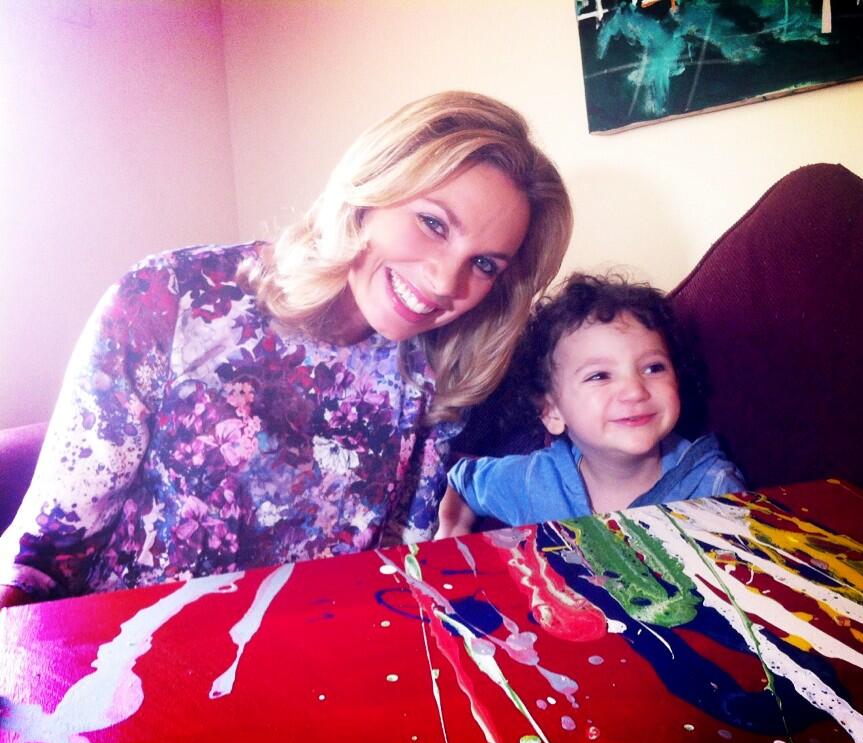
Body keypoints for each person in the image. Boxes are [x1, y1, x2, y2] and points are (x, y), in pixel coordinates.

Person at [0, 91, 572, 606]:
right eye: (433, 224)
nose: (446, 282)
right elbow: (42, 552)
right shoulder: (170, 297)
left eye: (484, 264)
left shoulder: (442, 363)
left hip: (321, 664)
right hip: (120, 657)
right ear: (372, 189)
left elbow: (402, 568)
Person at [435, 273, 744, 538]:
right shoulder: (535, 481)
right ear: (551, 411)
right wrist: (452, 529)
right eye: (599, 375)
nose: (635, 391)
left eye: (653, 368)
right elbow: (463, 481)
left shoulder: (714, 489)